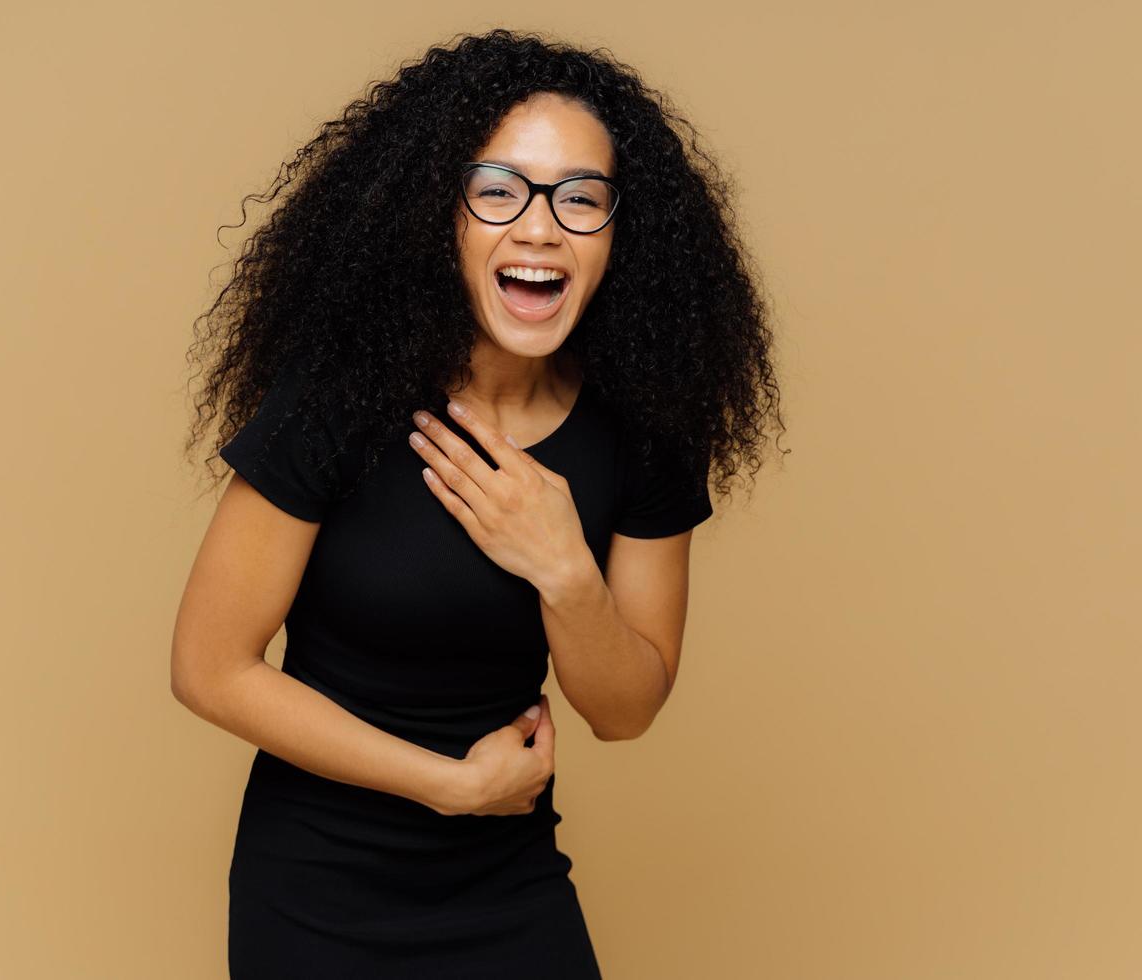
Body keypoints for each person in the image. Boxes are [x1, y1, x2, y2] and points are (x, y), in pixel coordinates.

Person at [173, 28, 784, 979]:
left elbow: (624, 712)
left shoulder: (645, 427)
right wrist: (449, 786)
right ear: (439, 214)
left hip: (507, 880)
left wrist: (563, 566)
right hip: (317, 892)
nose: (539, 228)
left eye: (580, 199)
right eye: (498, 190)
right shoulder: (338, 399)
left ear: (624, 234)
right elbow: (209, 668)